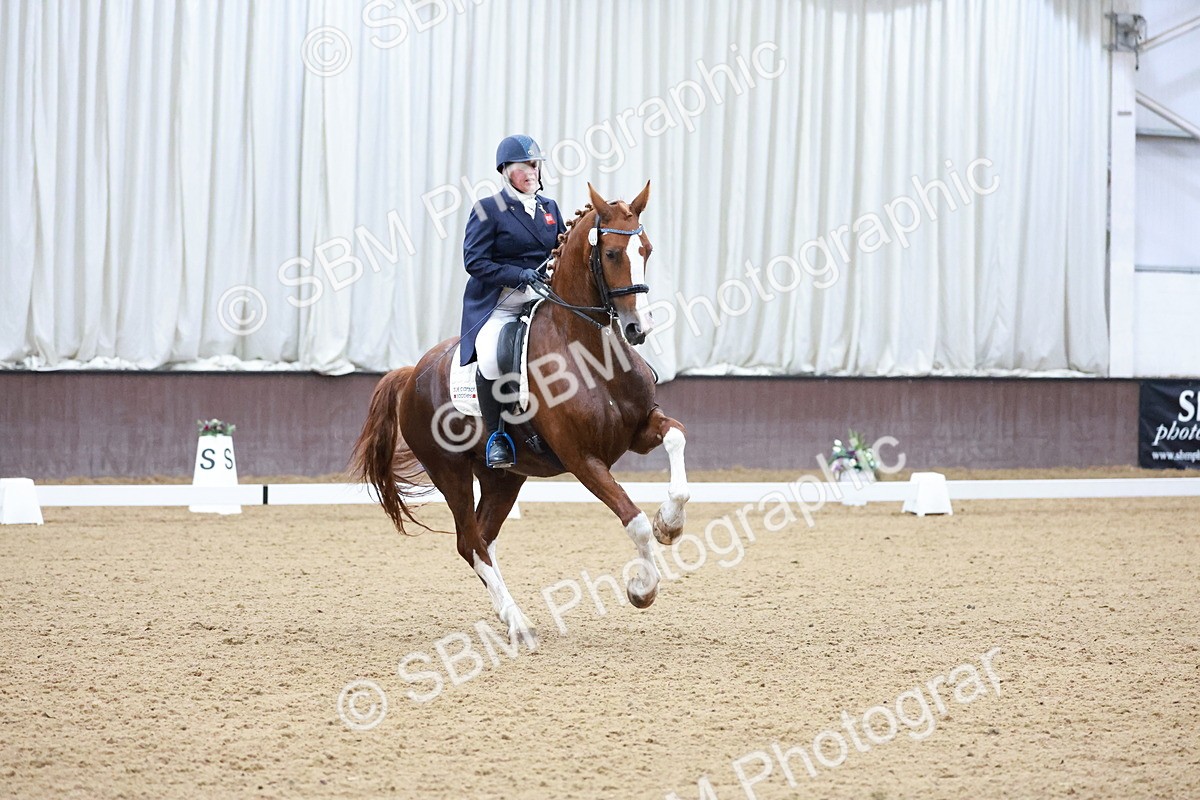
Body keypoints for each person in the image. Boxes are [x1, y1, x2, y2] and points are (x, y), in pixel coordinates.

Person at [460, 134, 567, 468]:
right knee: (492, 357)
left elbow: (560, 248)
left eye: (536, 165)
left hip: (543, 299)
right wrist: (517, 274)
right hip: (502, 303)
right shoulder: (488, 209)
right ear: (506, 170)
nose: (533, 171)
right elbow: (474, 262)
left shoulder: (549, 208)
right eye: (526, 166)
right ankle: (498, 436)